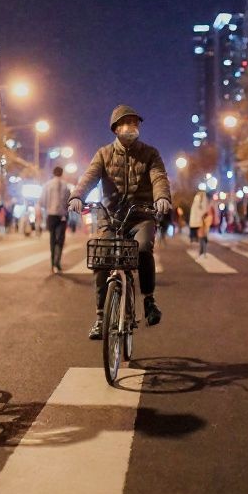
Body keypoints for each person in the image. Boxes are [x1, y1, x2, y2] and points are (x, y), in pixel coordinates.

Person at [69, 104, 172, 340]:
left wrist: (162, 198)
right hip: (110, 217)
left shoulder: (150, 153)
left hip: (141, 215)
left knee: (142, 249)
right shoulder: (103, 154)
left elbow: (159, 177)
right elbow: (89, 177)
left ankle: (149, 300)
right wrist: (77, 196)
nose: (131, 127)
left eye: (134, 123)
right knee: (101, 258)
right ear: (115, 128)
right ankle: (100, 317)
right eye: (126, 123)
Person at [40, 166, 72, 274]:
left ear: (53, 173)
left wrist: (49, 208)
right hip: (62, 216)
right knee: (60, 239)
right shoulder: (66, 186)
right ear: (62, 173)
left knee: (52, 239)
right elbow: (69, 201)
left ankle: (53, 263)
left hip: (51, 215)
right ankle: (57, 262)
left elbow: (43, 201)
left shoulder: (47, 185)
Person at [190, 188, 213, 256]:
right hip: (203, 219)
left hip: (200, 220)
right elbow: (204, 209)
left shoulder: (198, 197)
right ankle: (202, 250)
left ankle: (202, 250)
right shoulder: (202, 197)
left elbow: (198, 210)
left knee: (201, 235)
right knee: (203, 234)